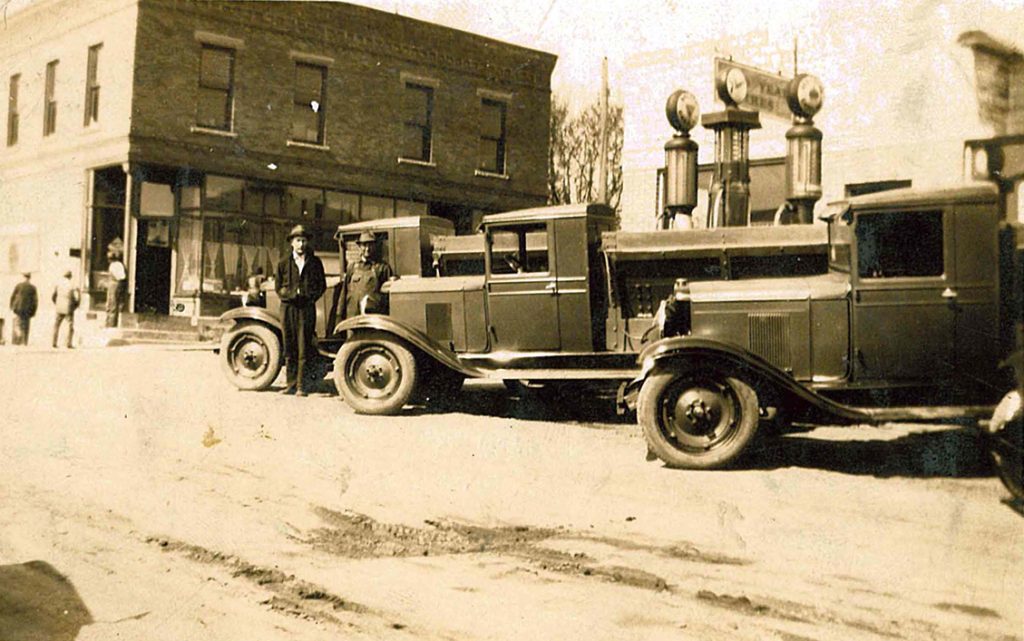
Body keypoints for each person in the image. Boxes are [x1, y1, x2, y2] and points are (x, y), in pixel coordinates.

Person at [275, 224, 326, 396]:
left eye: (304, 240)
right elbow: (278, 287)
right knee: (290, 346)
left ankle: (301, 386)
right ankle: (290, 385)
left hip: (306, 309)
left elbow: (321, 286)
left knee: (304, 346)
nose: (301, 244)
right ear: (292, 243)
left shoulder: (315, 262)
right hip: (288, 309)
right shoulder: (283, 263)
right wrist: (290, 295)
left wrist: (308, 297)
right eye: (298, 240)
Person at [343, 231, 394, 319]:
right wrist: (339, 315)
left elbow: (388, 298)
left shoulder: (382, 268)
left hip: (372, 318)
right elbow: (344, 293)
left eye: (370, 245)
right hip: (352, 318)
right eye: (364, 245)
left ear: (375, 246)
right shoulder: (352, 267)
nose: (367, 249)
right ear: (359, 247)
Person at [52, 270, 80, 349]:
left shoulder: (58, 284)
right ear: (70, 276)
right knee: (69, 325)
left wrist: (56, 303)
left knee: (56, 325)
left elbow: (53, 296)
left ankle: (54, 342)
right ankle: (69, 343)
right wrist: (76, 304)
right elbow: (76, 297)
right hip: (68, 307)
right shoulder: (72, 284)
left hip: (59, 306)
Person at [9, 272, 38, 346]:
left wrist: (11, 306)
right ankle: (24, 342)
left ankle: (17, 340)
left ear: (23, 277)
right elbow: (35, 301)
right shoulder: (33, 287)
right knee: (26, 325)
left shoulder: (19, 285)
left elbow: (12, 296)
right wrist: (34, 311)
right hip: (28, 309)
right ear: (29, 278)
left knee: (18, 324)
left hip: (18, 308)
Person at [105, 250, 126, 328]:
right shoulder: (114, 265)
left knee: (112, 304)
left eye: (109, 258)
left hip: (115, 285)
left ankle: (111, 323)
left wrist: (116, 281)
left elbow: (122, 276)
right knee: (110, 303)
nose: (108, 260)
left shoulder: (117, 265)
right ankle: (108, 322)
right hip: (112, 285)